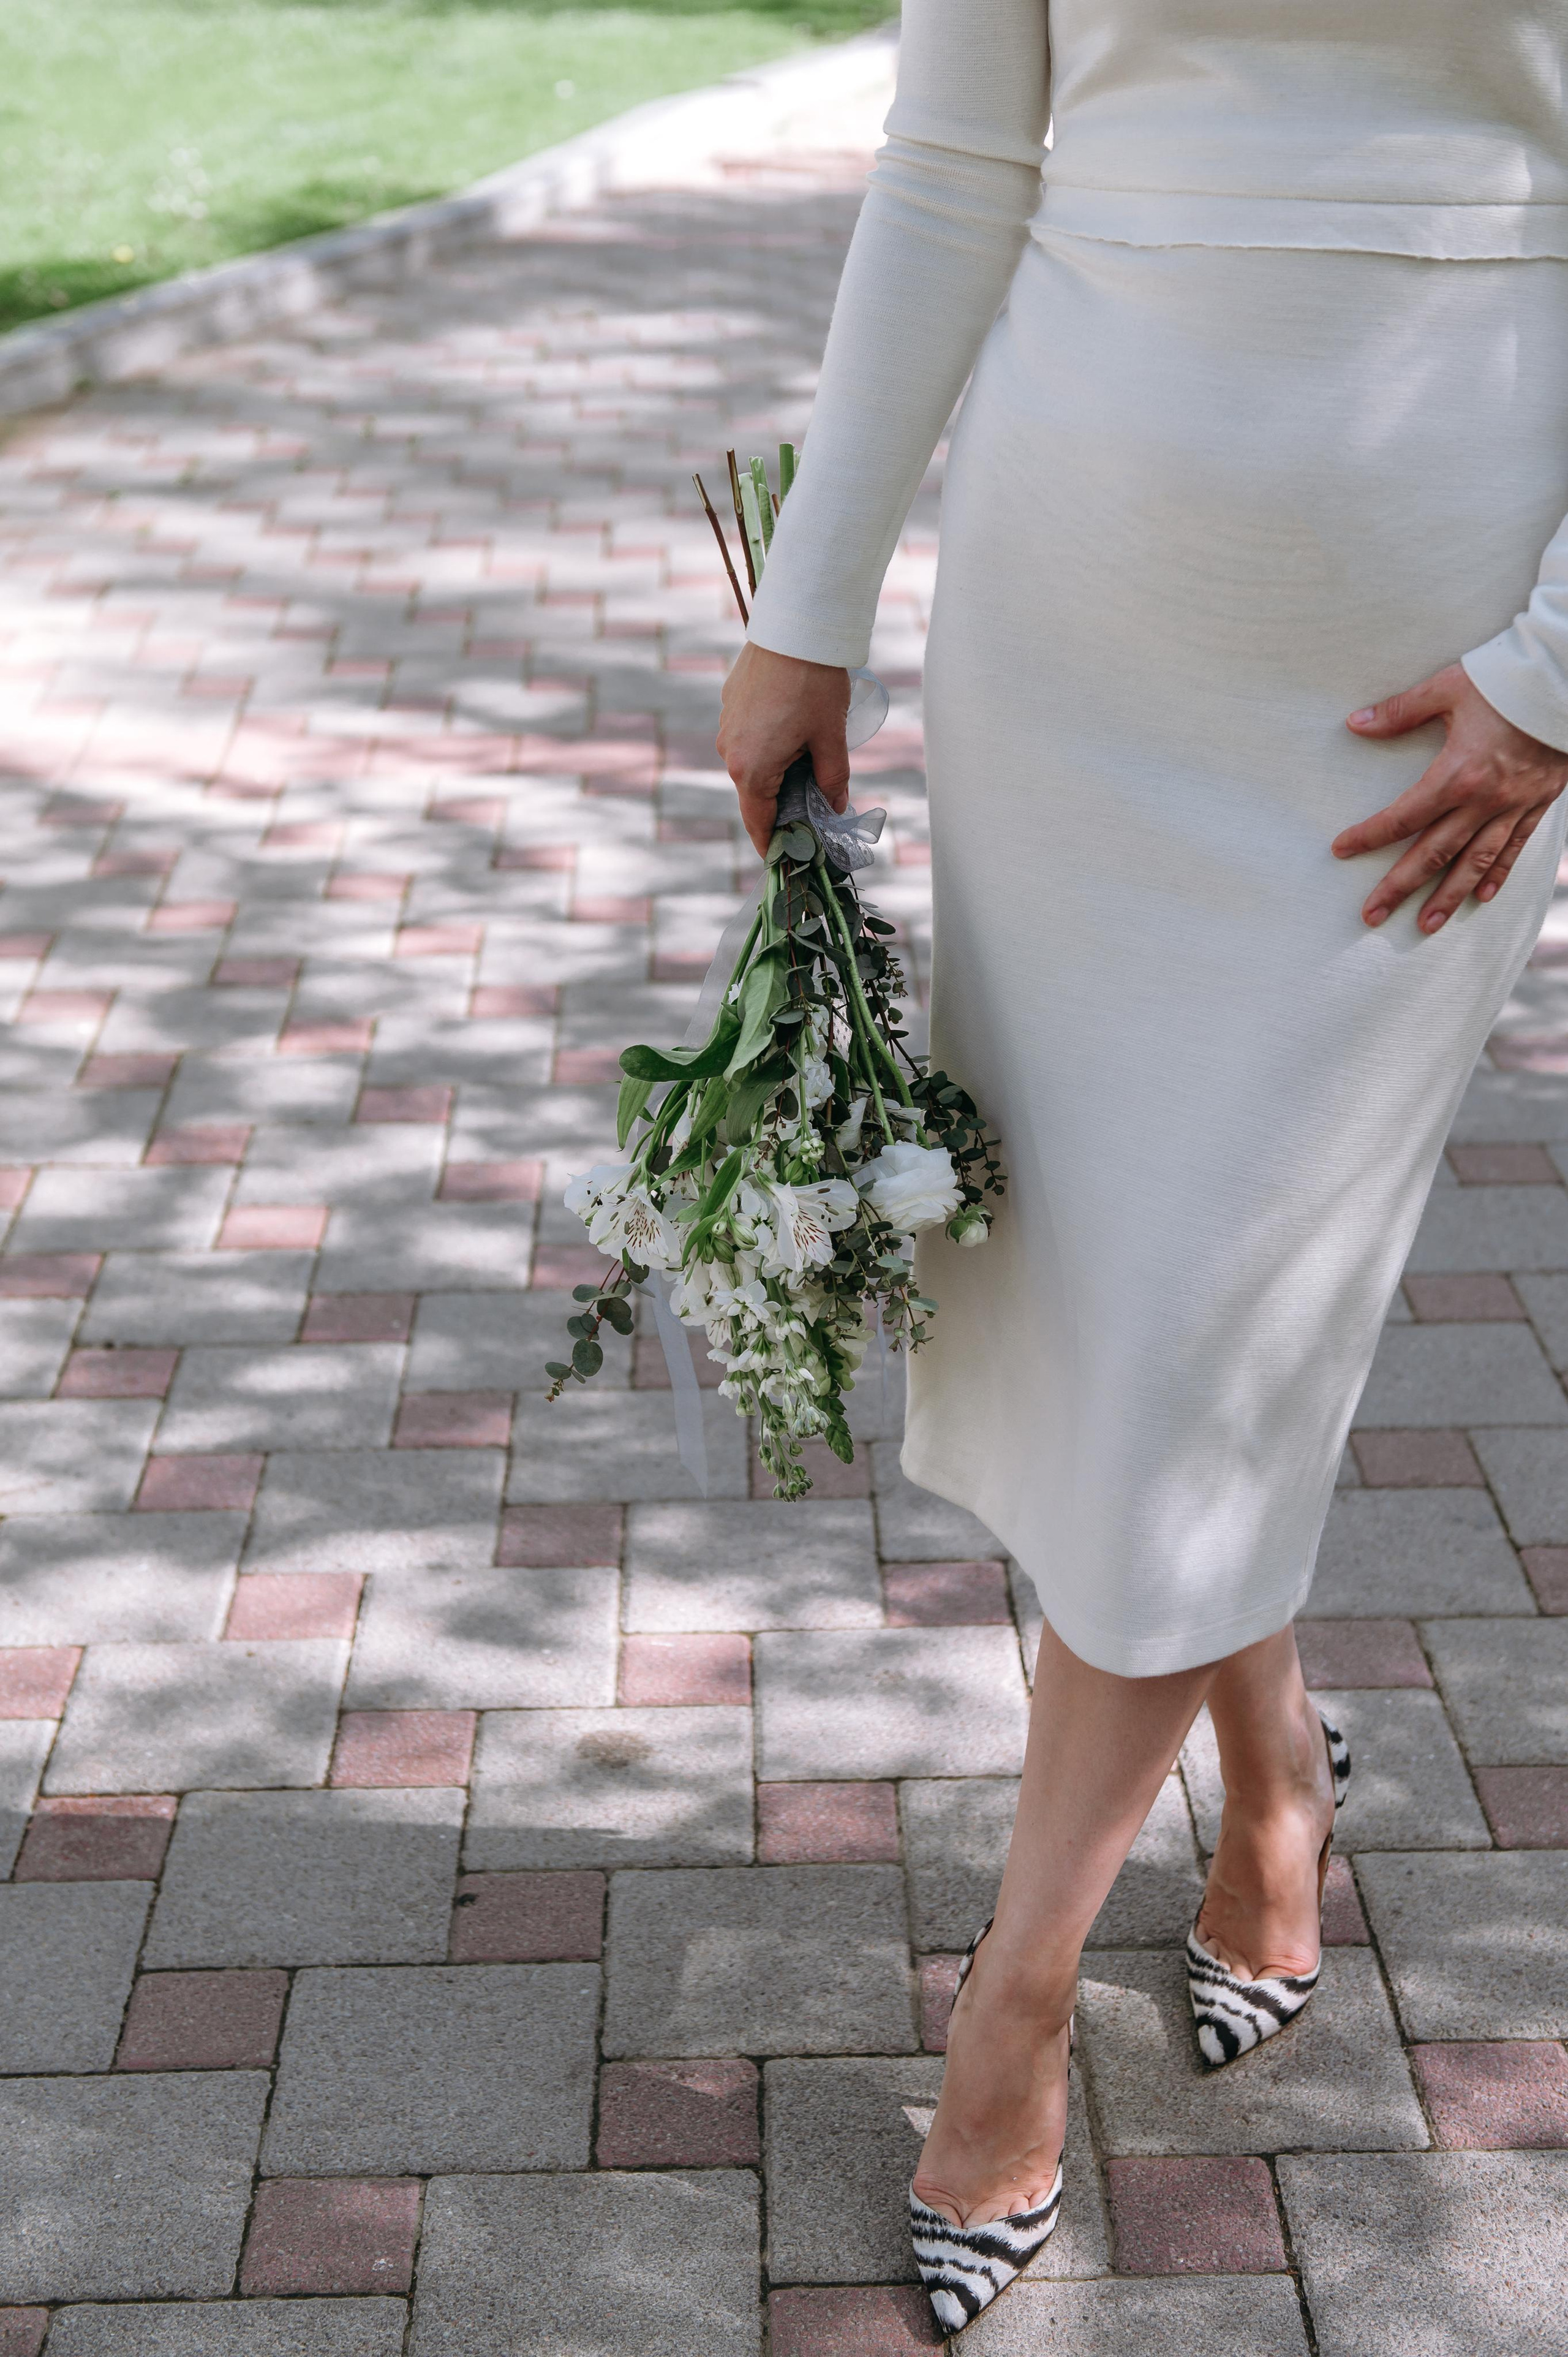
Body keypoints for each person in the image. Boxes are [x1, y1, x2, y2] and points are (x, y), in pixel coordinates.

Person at [717, 0, 1568, 2331]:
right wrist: (810, 604)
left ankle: (1011, 2012)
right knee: (1152, 1307)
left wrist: (1565, 663)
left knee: (1209, 1308)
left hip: (1434, 638)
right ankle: (1273, 1778)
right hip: (1076, 605)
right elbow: (954, 154)